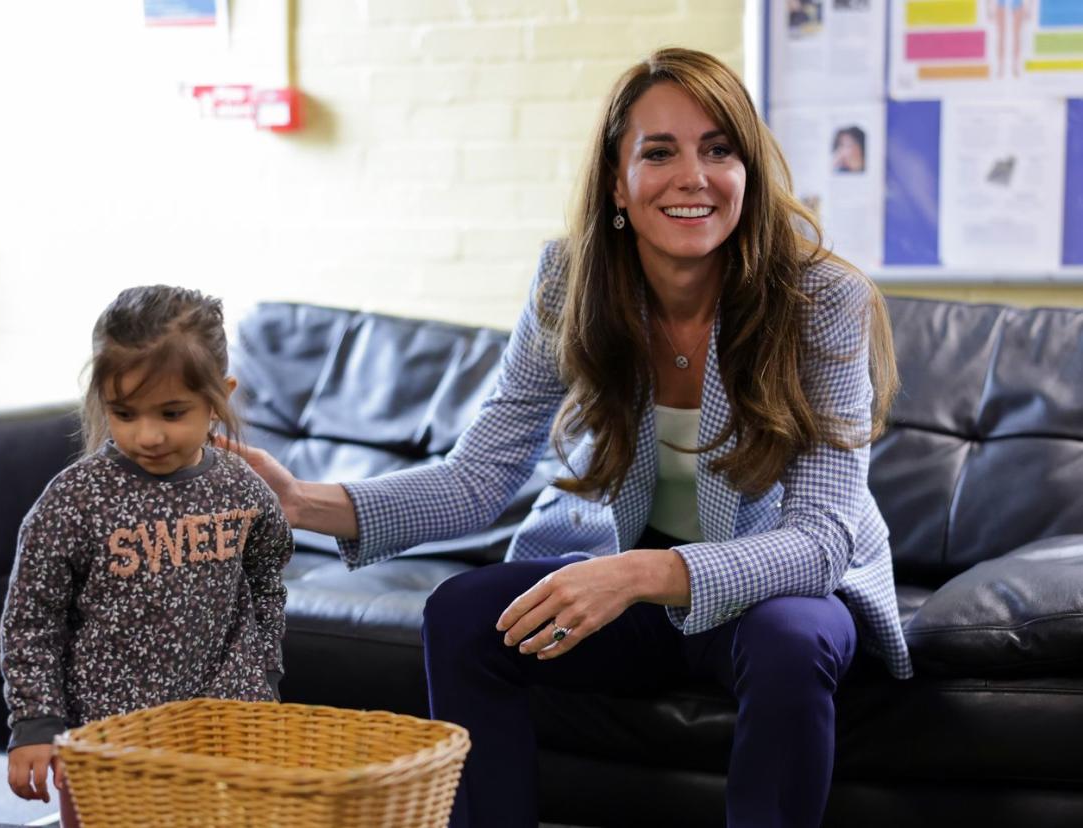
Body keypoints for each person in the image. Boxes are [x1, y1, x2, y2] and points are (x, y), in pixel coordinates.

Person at [234, 47, 909, 828]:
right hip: (626, 585)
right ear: (618, 182)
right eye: (659, 152)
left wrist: (631, 576)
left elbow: (823, 540)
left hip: (777, 591)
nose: (693, 175)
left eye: (719, 149)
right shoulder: (570, 282)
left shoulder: (823, 298)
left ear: (748, 173)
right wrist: (300, 503)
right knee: (461, 615)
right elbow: (476, 478)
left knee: (793, 638)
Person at [0, 286, 293, 826]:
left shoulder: (244, 491)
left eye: (172, 412)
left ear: (218, 397)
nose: (149, 435)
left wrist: (261, 675)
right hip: (105, 739)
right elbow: (31, 621)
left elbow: (267, 582)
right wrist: (35, 723)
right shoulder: (74, 500)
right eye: (124, 413)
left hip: (220, 729)